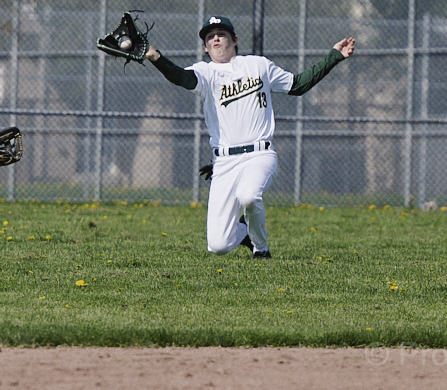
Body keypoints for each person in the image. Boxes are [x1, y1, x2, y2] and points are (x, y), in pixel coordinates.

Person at [144, 15, 355, 258]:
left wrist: (334, 57)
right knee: (218, 246)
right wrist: (155, 57)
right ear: (205, 47)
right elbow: (181, 77)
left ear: (235, 40)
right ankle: (244, 231)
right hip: (224, 162)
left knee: (249, 195)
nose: (216, 39)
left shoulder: (258, 65)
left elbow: (297, 85)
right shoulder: (205, 72)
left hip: (259, 154)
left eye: (221, 34)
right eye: (210, 37)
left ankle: (261, 249)